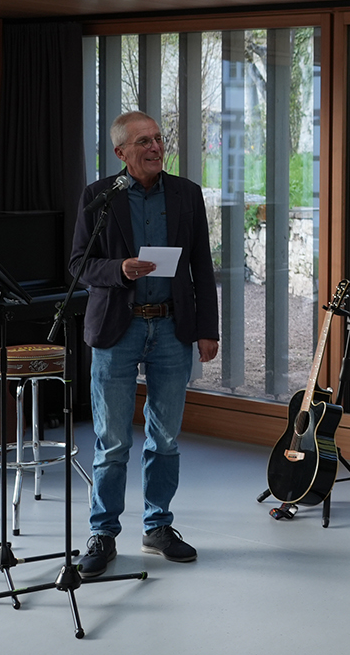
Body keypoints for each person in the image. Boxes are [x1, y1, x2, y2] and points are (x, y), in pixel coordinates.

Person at [70, 111, 220, 576]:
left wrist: (208, 329)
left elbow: (202, 264)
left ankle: (157, 526)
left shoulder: (187, 194)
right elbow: (78, 264)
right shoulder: (99, 196)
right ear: (121, 152)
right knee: (113, 441)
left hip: (172, 329)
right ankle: (102, 533)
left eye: (158, 139)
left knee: (166, 438)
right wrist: (119, 269)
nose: (155, 147)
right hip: (118, 329)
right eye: (143, 142)